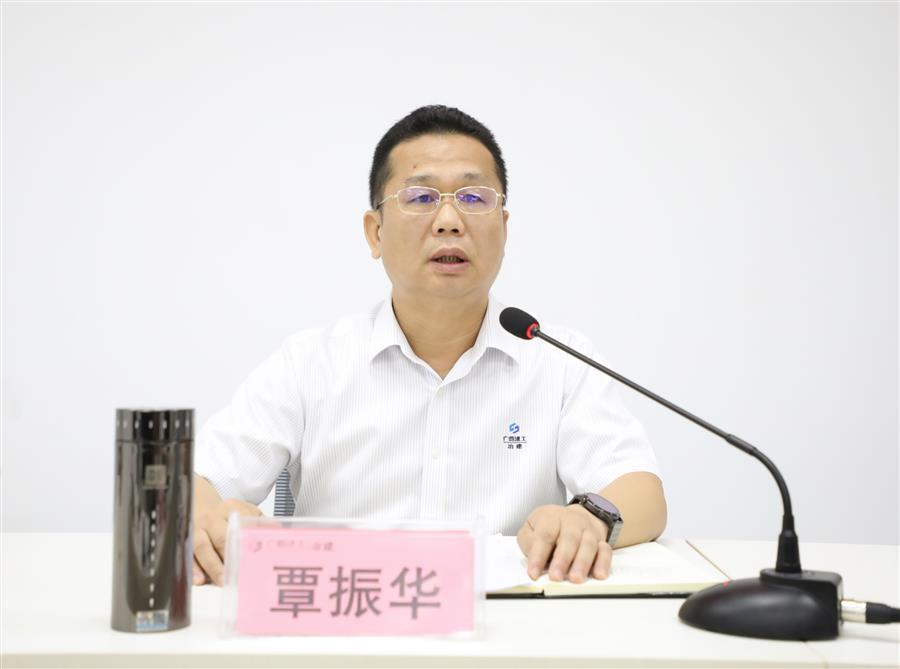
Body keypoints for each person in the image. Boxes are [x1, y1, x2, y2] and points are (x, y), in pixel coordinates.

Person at [192, 105, 667, 587]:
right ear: (375, 233)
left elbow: (642, 493)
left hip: (506, 622)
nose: (449, 221)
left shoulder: (559, 361)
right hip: (348, 613)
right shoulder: (310, 363)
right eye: (420, 197)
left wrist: (590, 518)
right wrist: (209, 517)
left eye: (474, 197)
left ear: (504, 228)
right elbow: (196, 482)